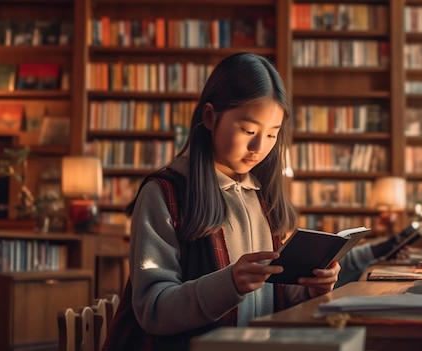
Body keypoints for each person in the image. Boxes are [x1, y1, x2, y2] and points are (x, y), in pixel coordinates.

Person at [104, 52, 340, 350]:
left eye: (271, 135)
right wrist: (229, 283)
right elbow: (153, 309)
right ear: (209, 117)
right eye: (248, 130)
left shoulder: (263, 196)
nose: (258, 147)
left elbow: (270, 296)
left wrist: (311, 287)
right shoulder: (165, 192)